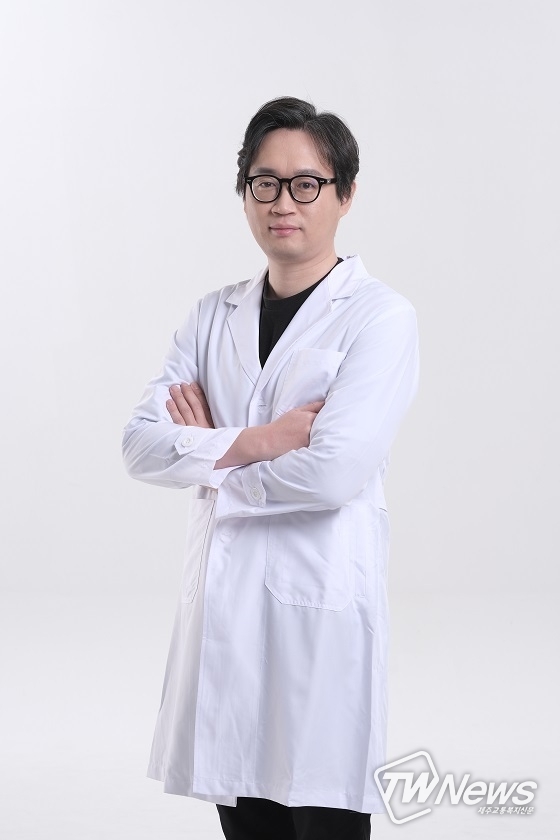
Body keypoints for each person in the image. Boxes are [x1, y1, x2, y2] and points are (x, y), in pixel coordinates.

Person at [122, 96, 419, 840]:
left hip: (317, 619)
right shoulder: (210, 316)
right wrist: (259, 441)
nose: (283, 202)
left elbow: (335, 472)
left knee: (320, 812)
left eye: (306, 184)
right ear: (245, 192)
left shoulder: (379, 317)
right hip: (224, 624)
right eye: (265, 183)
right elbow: (139, 445)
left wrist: (208, 458)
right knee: (245, 821)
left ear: (345, 194)